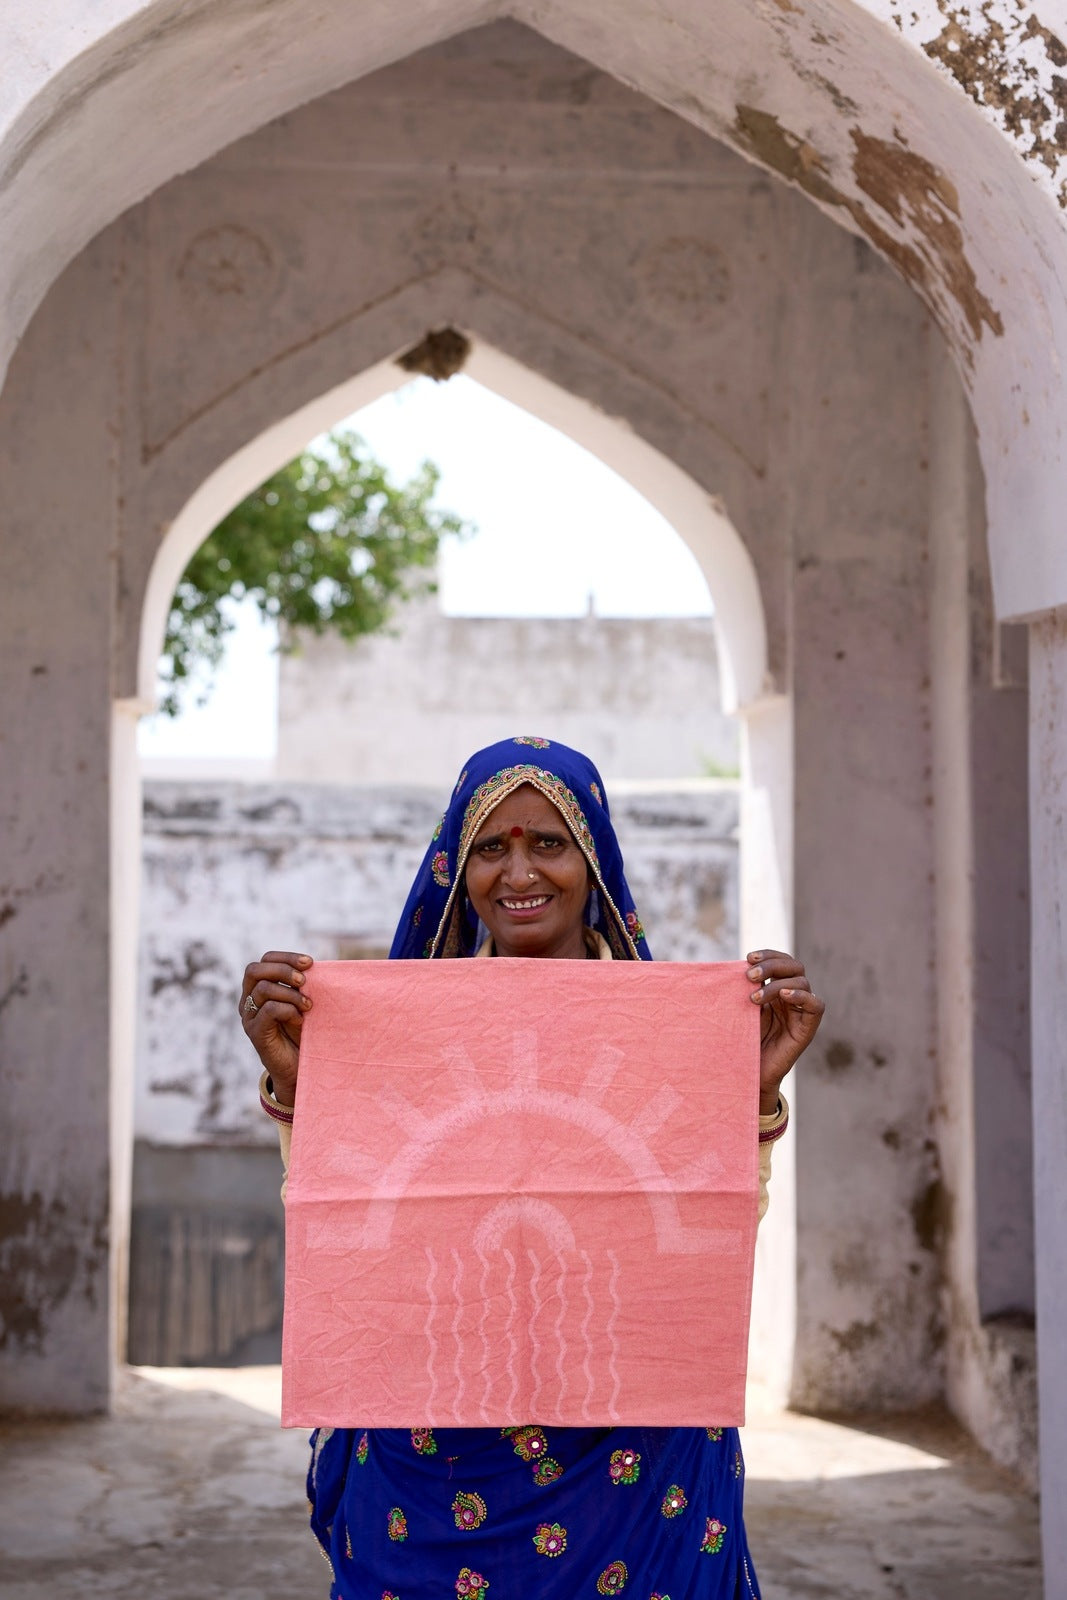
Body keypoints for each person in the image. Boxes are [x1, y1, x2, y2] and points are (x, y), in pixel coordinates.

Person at [241, 736, 823, 1600]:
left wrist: (753, 1088)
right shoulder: (393, 1029)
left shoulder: (670, 1025)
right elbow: (351, 1223)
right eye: (490, 847)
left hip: (634, 1457)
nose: (519, 872)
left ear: (592, 859)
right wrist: (306, 1080)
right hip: (433, 1450)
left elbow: (708, 1230)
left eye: (548, 843)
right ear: (456, 867)